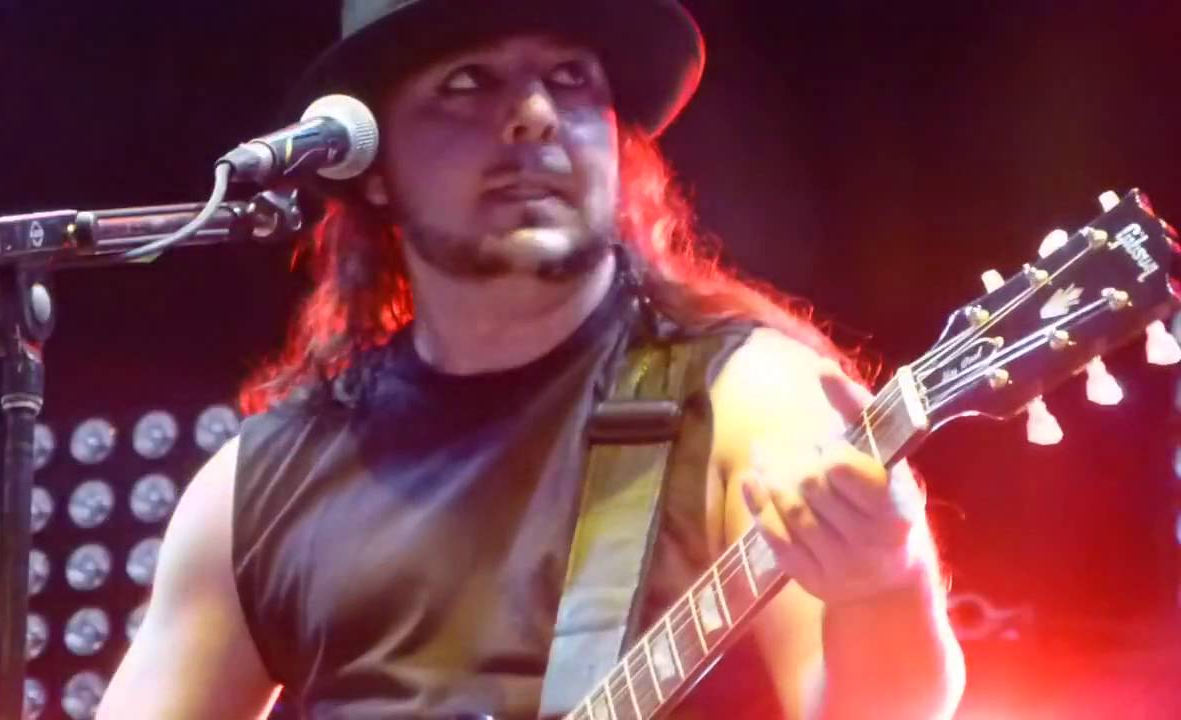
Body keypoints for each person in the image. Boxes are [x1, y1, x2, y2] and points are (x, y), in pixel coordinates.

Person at [99, 1, 965, 717]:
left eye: (570, 79)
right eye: (467, 81)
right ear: (373, 166)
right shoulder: (256, 485)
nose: (535, 115)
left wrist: (883, 584)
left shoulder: (748, 398)